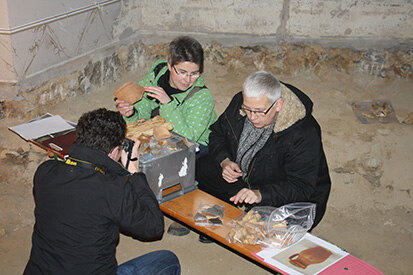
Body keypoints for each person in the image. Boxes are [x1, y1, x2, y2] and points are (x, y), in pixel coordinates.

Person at [24, 108, 180, 275]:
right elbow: (153, 227)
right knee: (167, 261)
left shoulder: (45, 172)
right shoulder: (114, 189)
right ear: (114, 151)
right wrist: (134, 172)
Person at [196, 71, 331, 230]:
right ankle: (222, 217)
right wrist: (225, 161)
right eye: (248, 109)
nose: (252, 117)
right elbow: (217, 133)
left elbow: (301, 187)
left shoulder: (303, 133)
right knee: (202, 166)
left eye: (260, 111)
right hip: (247, 179)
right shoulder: (241, 103)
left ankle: (254, 212)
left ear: (278, 105)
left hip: (281, 194)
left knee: (263, 232)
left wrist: (261, 194)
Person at [116, 36, 217, 155]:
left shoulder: (202, 97)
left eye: (194, 73)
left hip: (198, 147)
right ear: (169, 65)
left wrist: (168, 104)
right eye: (182, 72)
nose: (188, 80)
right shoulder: (154, 79)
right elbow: (141, 120)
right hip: (164, 135)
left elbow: (190, 139)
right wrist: (131, 114)